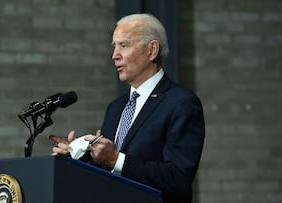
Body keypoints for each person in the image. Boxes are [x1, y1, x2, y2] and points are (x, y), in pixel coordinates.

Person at [49, 13, 205, 203]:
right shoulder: (116, 107)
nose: (115, 55)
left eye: (124, 45)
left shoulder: (181, 103)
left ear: (152, 50)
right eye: (114, 46)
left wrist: (116, 159)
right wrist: (77, 159)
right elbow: (108, 173)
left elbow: (178, 178)